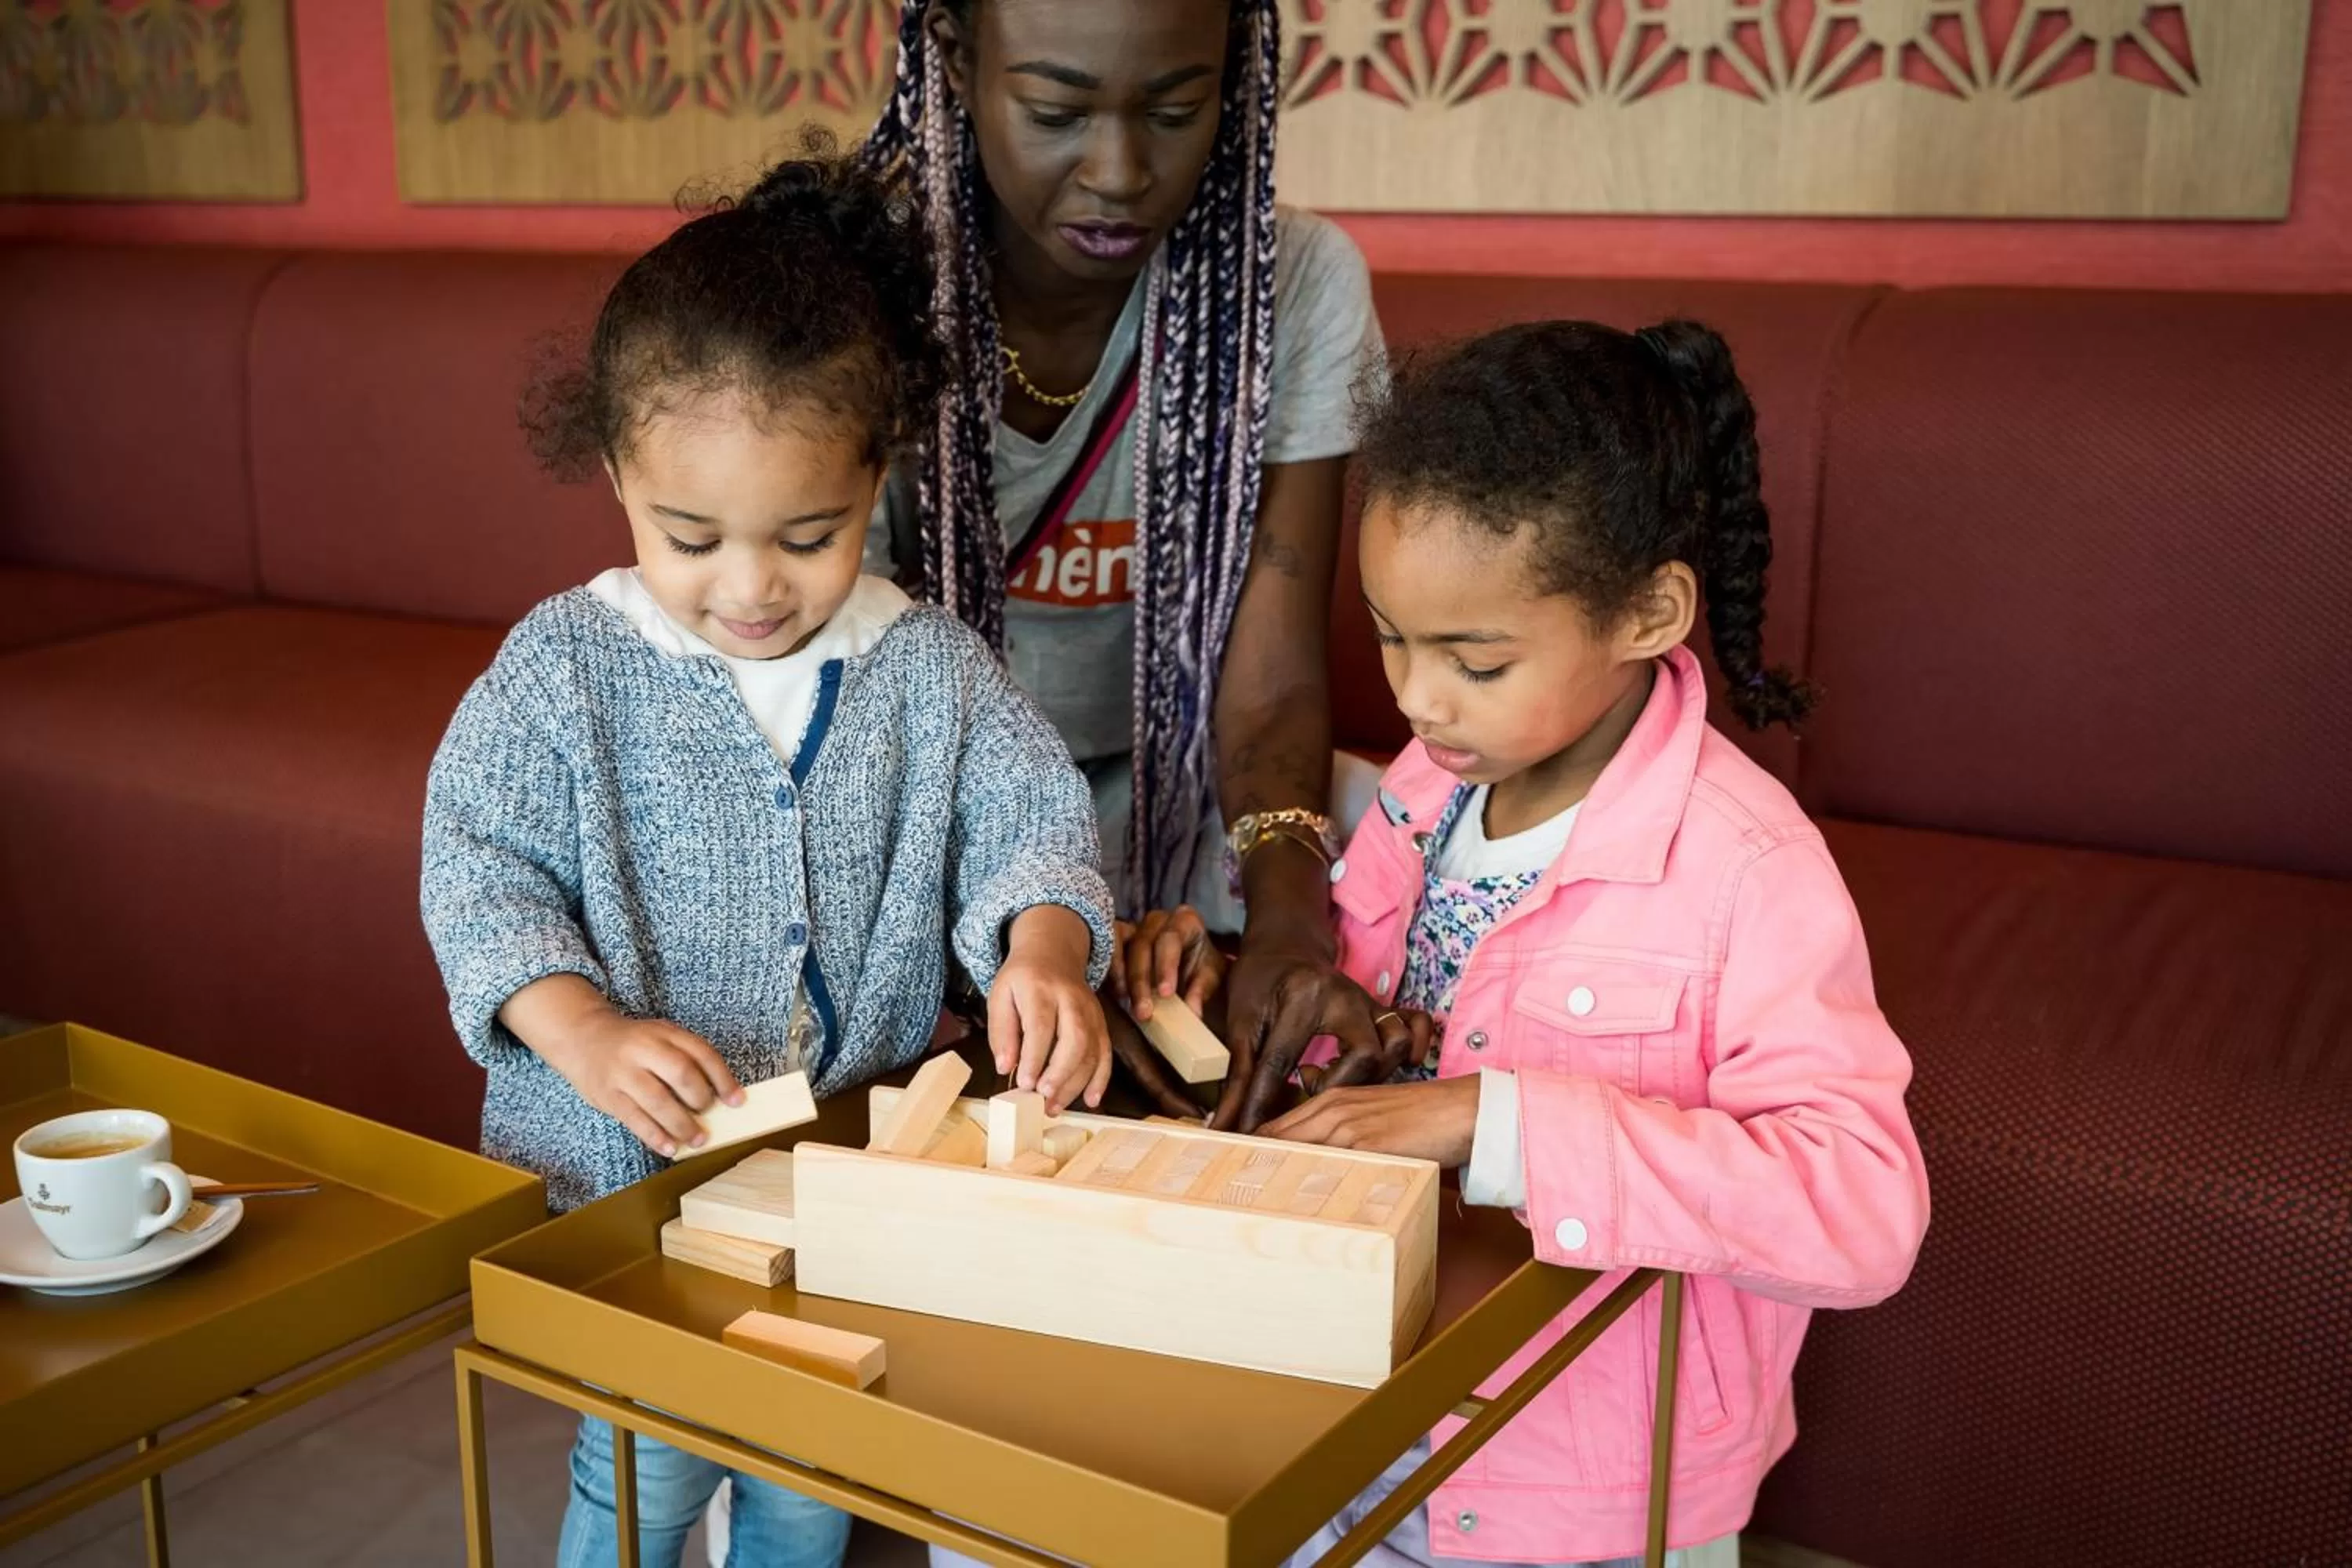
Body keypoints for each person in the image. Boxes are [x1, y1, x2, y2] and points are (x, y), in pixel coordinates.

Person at [418, 140, 1115, 1568]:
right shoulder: (563, 671)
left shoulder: (925, 667)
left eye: (811, 534)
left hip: (839, 1175)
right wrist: (587, 1033)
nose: (749, 589)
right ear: (615, 475)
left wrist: (1043, 938)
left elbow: (1027, 810)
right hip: (629, 1184)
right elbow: (477, 873)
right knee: (643, 1473)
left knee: (812, 1465)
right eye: (690, 536)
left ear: (880, 474)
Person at [1160, 320, 1933, 1566]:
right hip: (1353, 1429)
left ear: (1649, 613)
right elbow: (1370, 1035)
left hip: (1578, 1503)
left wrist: (1495, 1120)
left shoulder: (1750, 869)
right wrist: (1240, 992)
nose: (1416, 698)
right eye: (1391, 637)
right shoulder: (1428, 785)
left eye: (1475, 659)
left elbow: (1861, 1212)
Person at [858, 0, 1390, 1126]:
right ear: (957, 59)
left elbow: (1278, 682)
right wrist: (1037, 934)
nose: (1119, 170)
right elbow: (832, 708)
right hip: (917, 861)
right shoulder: (852, 299)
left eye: (1174, 109)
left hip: (1194, 853)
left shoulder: (1294, 287)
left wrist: (1290, 935)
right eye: (1057, 109)